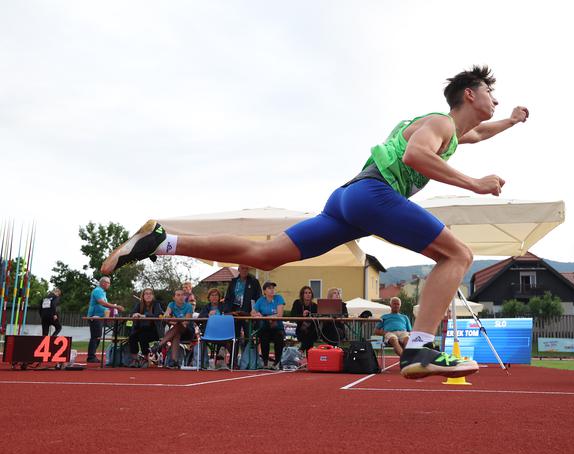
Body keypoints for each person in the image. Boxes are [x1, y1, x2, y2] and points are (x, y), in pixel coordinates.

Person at [101, 65, 529, 379]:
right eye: (491, 93)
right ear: (470, 94)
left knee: (265, 256)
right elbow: (417, 156)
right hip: (372, 195)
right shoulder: (437, 124)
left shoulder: (453, 132)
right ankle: (420, 348)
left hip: (346, 200)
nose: (494, 99)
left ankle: (162, 241)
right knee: (458, 254)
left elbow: (479, 133)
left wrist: (509, 120)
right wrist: (474, 183)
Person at [86, 277, 124, 363]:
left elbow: (104, 307)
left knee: (97, 336)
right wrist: (115, 307)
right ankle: (91, 356)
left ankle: (92, 356)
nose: (109, 285)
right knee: (96, 336)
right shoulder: (98, 291)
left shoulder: (102, 292)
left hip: (99, 317)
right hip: (94, 316)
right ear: (103, 283)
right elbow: (102, 303)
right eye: (108, 283)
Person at [223, 264, 262, 344]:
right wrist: (227, 312)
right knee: (234, 337)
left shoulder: (254, 281)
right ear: (238, 269)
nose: (244, 270)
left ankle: (249, 355)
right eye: (242, 268)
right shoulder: (233, 281)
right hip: (234, 312)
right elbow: (227, 298)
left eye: (246, 268)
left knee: (249, 336)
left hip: (248, 313)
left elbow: (259, 298)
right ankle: (234, 356)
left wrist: (255, 311)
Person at [251, 281, 285, 369]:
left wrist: (265, 316)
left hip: (277, 327)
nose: (272, 290)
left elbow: (279, 315)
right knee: (263, 337)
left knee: (278, 338)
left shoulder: (279, 298)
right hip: (265, 327)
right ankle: (265, 362)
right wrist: (257, 314)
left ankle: (277, 362)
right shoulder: (261, 300)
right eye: (269, 288)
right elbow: (252, 312)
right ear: (264, 291)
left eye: (273, 288)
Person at [128, 287, 164, 367]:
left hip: (155, 331)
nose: (148, 295)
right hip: (141, 329)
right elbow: (131, 313)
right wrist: (134, 314)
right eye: (146, 294)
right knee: (132, 336)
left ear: (153, 296)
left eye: (150, 294)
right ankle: (135, 359)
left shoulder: (156, 304)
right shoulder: (139, 304)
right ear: (143, 296)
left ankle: (145, 358)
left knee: (143, 336)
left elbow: (158, 315)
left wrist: (143, 315)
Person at [159, 289, 195, 368]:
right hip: (176, 331)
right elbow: (166, 316)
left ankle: (159, 344)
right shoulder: (171, 304)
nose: (180, 297)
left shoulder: (188, 306)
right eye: (178, 295)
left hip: (188, 332)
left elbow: (186, 322)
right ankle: (174, 361)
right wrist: (169, 318)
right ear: (174, 298)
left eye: (182, 295)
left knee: (179, 325)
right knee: (177, 333)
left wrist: (173, 320)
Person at [198, 287, 230, 369]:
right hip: (209, 331)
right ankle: (213, 360)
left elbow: (228, 316)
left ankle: (222, 359)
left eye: (216, 295)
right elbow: (199, 319)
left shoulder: (224, 306)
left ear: (219, 297)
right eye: (212, 295)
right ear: (209, 297)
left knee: (228, 336)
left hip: (222, 331)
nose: (214, 297)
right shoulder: (206, 307)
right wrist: (208, 315)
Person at [291, 285, 318, 352]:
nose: (308, 294)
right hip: (300, 329)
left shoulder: (315, 306)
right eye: (305, 293)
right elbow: (293, 315)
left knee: (310, 333)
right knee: (309, 340)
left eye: (309, 293)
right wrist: (302, 315)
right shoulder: (297, 303)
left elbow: (317, 317)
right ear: (302, 294)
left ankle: (301, 349)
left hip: (312, 330)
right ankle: (308, 358)